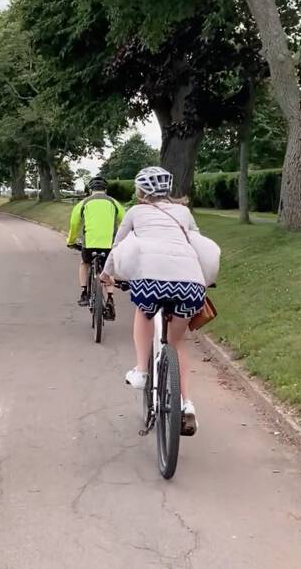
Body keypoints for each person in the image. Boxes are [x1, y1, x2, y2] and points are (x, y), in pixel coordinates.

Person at [101, 166, 211, 436]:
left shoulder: (135, 213)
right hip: (189, 285)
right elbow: (198, 244)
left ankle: (141, 370)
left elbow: (118, 246)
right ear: (168, 189)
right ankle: (186, 404)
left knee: (143, 311)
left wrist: (106, 275)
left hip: (150, 281)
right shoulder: (183, 213)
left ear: (140, 191)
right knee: (177, 342)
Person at [66, 175, 124, 320]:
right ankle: (110, 297)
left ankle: (84, 292)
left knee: (84, 263)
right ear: (105, 189)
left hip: (90, 244)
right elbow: (124, 221)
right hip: (109, 244)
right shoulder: (114, 203)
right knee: (108, 269)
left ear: (90, 189)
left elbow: (74, 224)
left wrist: (71, 241)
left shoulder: (84, 203)